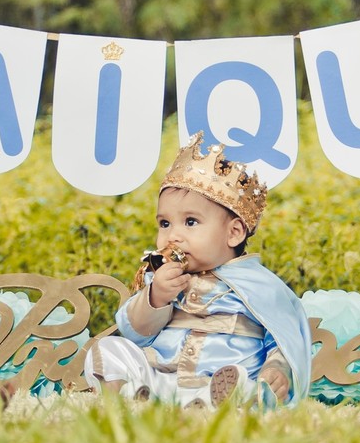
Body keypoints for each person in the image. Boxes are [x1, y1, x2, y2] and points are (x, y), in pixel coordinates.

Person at [83, 131, 311, 408]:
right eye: (165, 224)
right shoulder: (162, 277)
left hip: (218, 377)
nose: (173, 236)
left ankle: (220, 400)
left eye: (190, 222)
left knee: (242, 382)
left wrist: (277, 368)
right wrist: (156, 297)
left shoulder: (261, 286)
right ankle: (131, 394)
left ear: (234, 233)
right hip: (162, 375)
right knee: (109, 349)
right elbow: (135, 333)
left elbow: (283, 338)